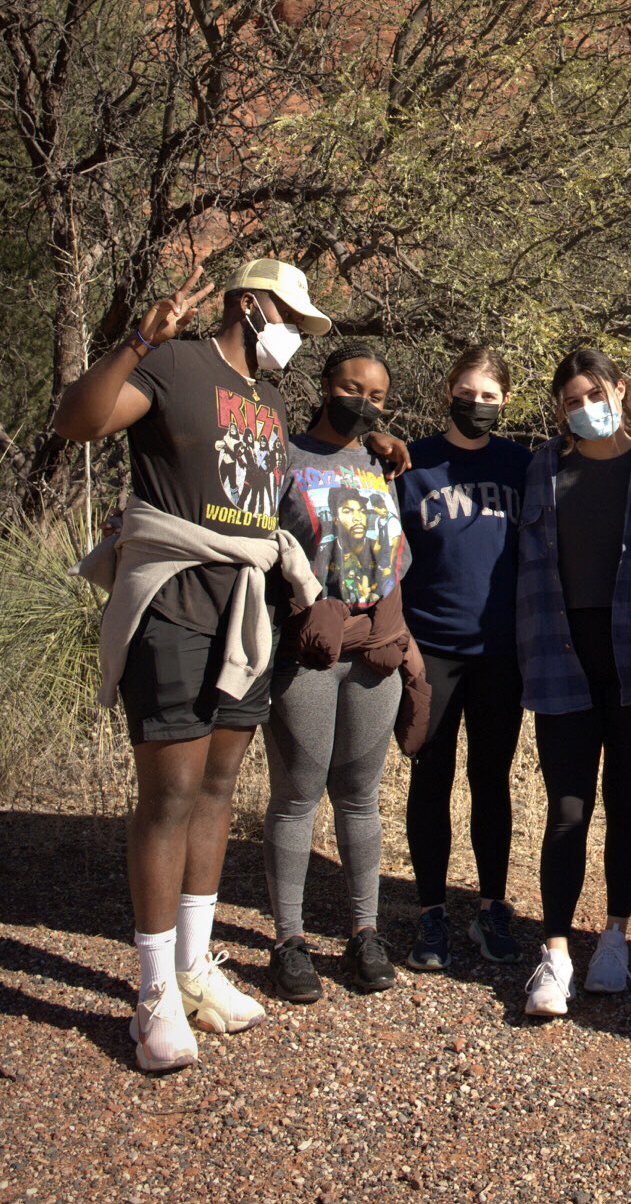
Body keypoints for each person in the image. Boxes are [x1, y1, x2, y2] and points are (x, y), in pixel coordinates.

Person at [58, 258, 403, 1072]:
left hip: (244, 606)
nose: (296, 337)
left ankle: (192, 966)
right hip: (177, 594)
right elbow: (80, 420)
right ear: (252, 306)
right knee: (170, 791)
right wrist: (139, 337)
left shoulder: (271, 402)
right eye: (290, 319)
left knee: (218, 785)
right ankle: (150, 994)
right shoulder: (175, 365)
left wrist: (372, 444)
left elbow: (299, 487)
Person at [518, 348, 631, 1016]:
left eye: (593, 391)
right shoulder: (541, 470)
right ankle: (555, 951)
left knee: (625, 800)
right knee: (566, 809)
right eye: (570, 399)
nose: (584, 406)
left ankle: (614, 936)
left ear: (620, 389)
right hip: (561, 657)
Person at [264, 343, 411, 1001]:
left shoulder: (379, 462)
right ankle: (288, 939)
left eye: (377, 395)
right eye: (353, 388)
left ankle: (363, 929)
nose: (364, 402)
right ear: (326, 385)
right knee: (296, 794)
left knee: (360, 794)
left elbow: (392, 548)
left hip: (372, 646)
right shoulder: (287, 458)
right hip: (309, 647)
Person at [396, 346, 533, 971]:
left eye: (490, 396)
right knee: (430, 778)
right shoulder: (411, 462)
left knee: (491, 781)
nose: (477, 404)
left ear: (505, 401)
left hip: (499, 650)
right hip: (431, 651)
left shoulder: (522, 465)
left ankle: (491, 907)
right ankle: (429, 913)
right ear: (448, 388)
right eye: (468, 392)